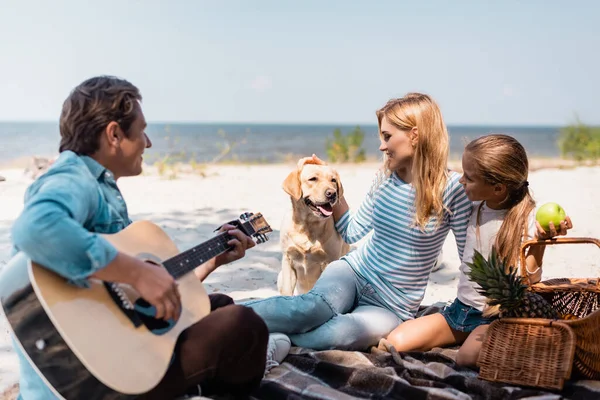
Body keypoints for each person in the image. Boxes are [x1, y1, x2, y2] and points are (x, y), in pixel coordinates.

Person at [8, 76, 288, 400]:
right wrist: (138, 271)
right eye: (141, 131)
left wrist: (211, 260)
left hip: (110, 350)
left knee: (216, 306)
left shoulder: (95, 184)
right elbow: (36, 227)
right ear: (114, 134)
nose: (148, 142)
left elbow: (122, 294)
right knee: (243, 325)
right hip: (89, 381)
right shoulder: (74, 179)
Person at [243, 93, 472, 351]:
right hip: (353, 272)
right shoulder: (384, 178)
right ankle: (221, 316)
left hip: (391, 305)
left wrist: (464, 318)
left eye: (387, 136)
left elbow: (469, 260)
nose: (382, 146)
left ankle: (278, 338)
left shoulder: (453, 190)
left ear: (415, 135)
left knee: (338, 335)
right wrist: (328, 179)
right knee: (311, 309)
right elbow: (351, 231)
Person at [386, 134, 572, 366]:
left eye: (469, 178)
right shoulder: (472, 206)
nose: (462, 181)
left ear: (497, 188)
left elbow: (530, 279)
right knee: (397, 340)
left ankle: (536, 350)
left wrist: (541, 242)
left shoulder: (527, 218)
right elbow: (432, 177)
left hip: (496, 318)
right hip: (461, 311)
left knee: (467, 357)